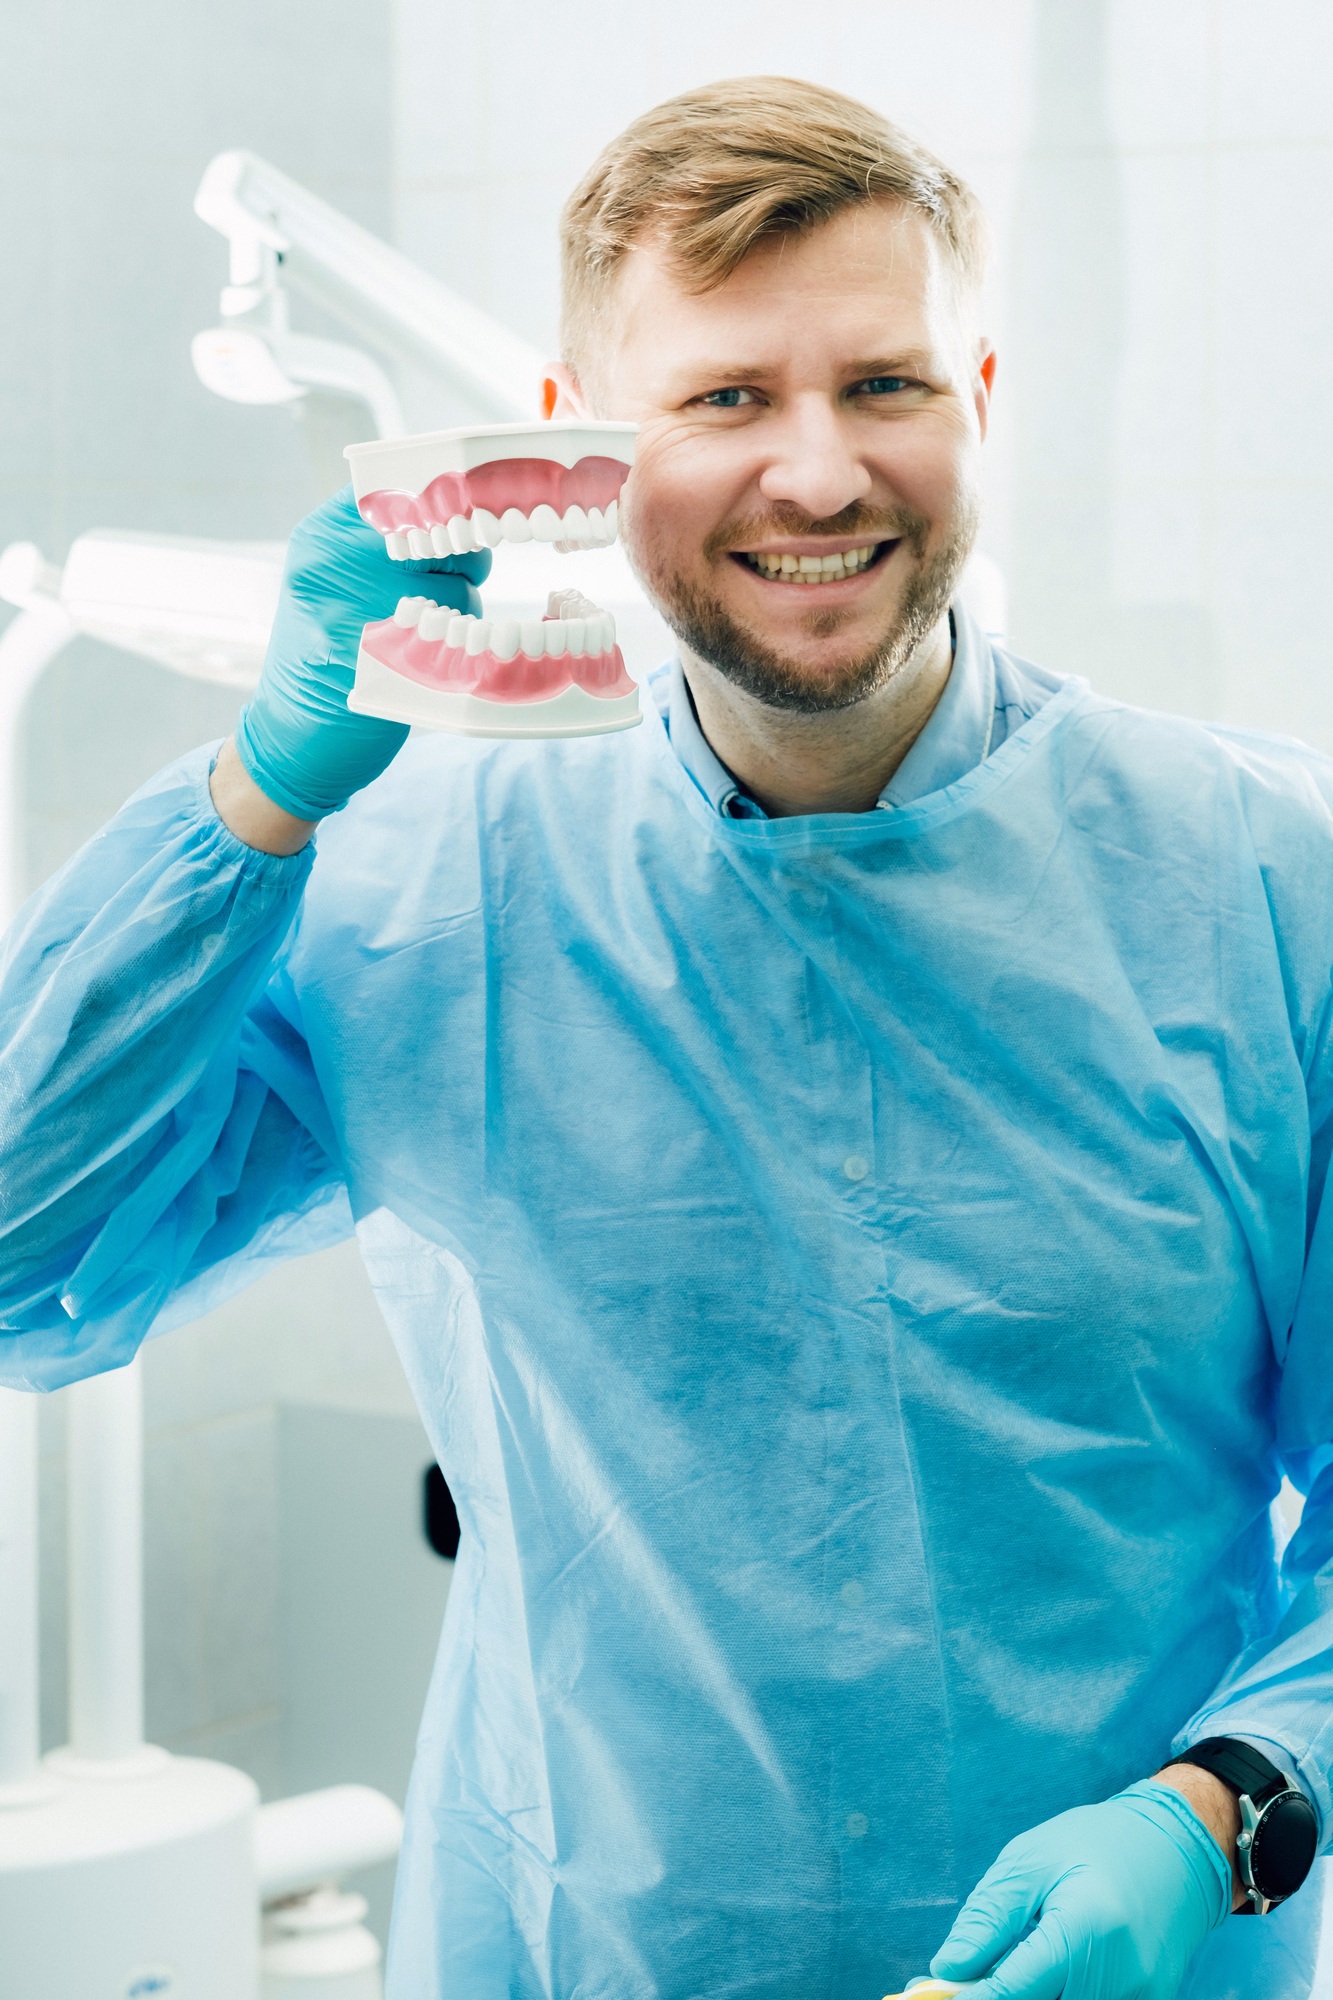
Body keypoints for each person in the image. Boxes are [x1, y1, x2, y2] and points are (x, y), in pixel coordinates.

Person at [1, 74, 1329, 2000]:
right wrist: (251, 810)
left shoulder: (1262, 886)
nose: (815, 474)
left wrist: (1220, 1808)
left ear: (978, 394)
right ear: (573, 443)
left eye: (881, 385)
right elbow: (23, 1267)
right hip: (587, 1950)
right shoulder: (409, 880)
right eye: (723, 399)